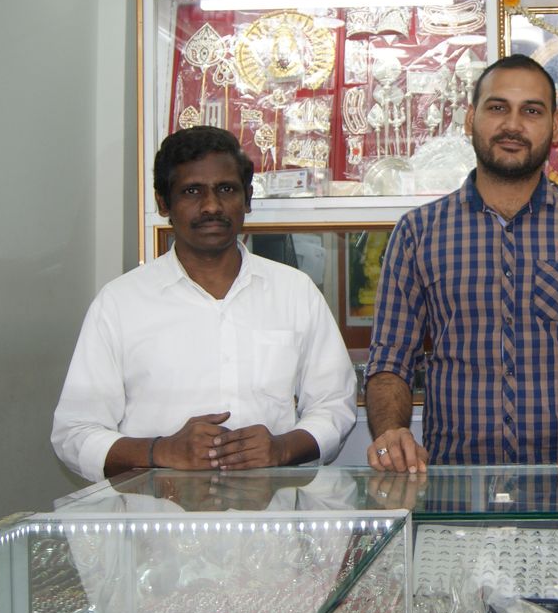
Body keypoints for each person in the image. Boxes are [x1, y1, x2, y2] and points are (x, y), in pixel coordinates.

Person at [365, 54, 558, 472]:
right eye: (497, 108)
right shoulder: (417, 233)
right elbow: (390, 361)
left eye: (531, 111)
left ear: (555, 128)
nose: (512, 125)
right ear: (469, 120)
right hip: (453, 485)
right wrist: (392, 432)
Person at [52, 126, 355, 482]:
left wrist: (281, 448)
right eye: (192, 191)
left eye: (226, 189)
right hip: (156, 526)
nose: (211, 206)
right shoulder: (119, 303)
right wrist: (160, 451)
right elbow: (74, 433)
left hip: (271, 523)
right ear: (164, 203)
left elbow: (334, 406)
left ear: (247, 199)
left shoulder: (294, 292)